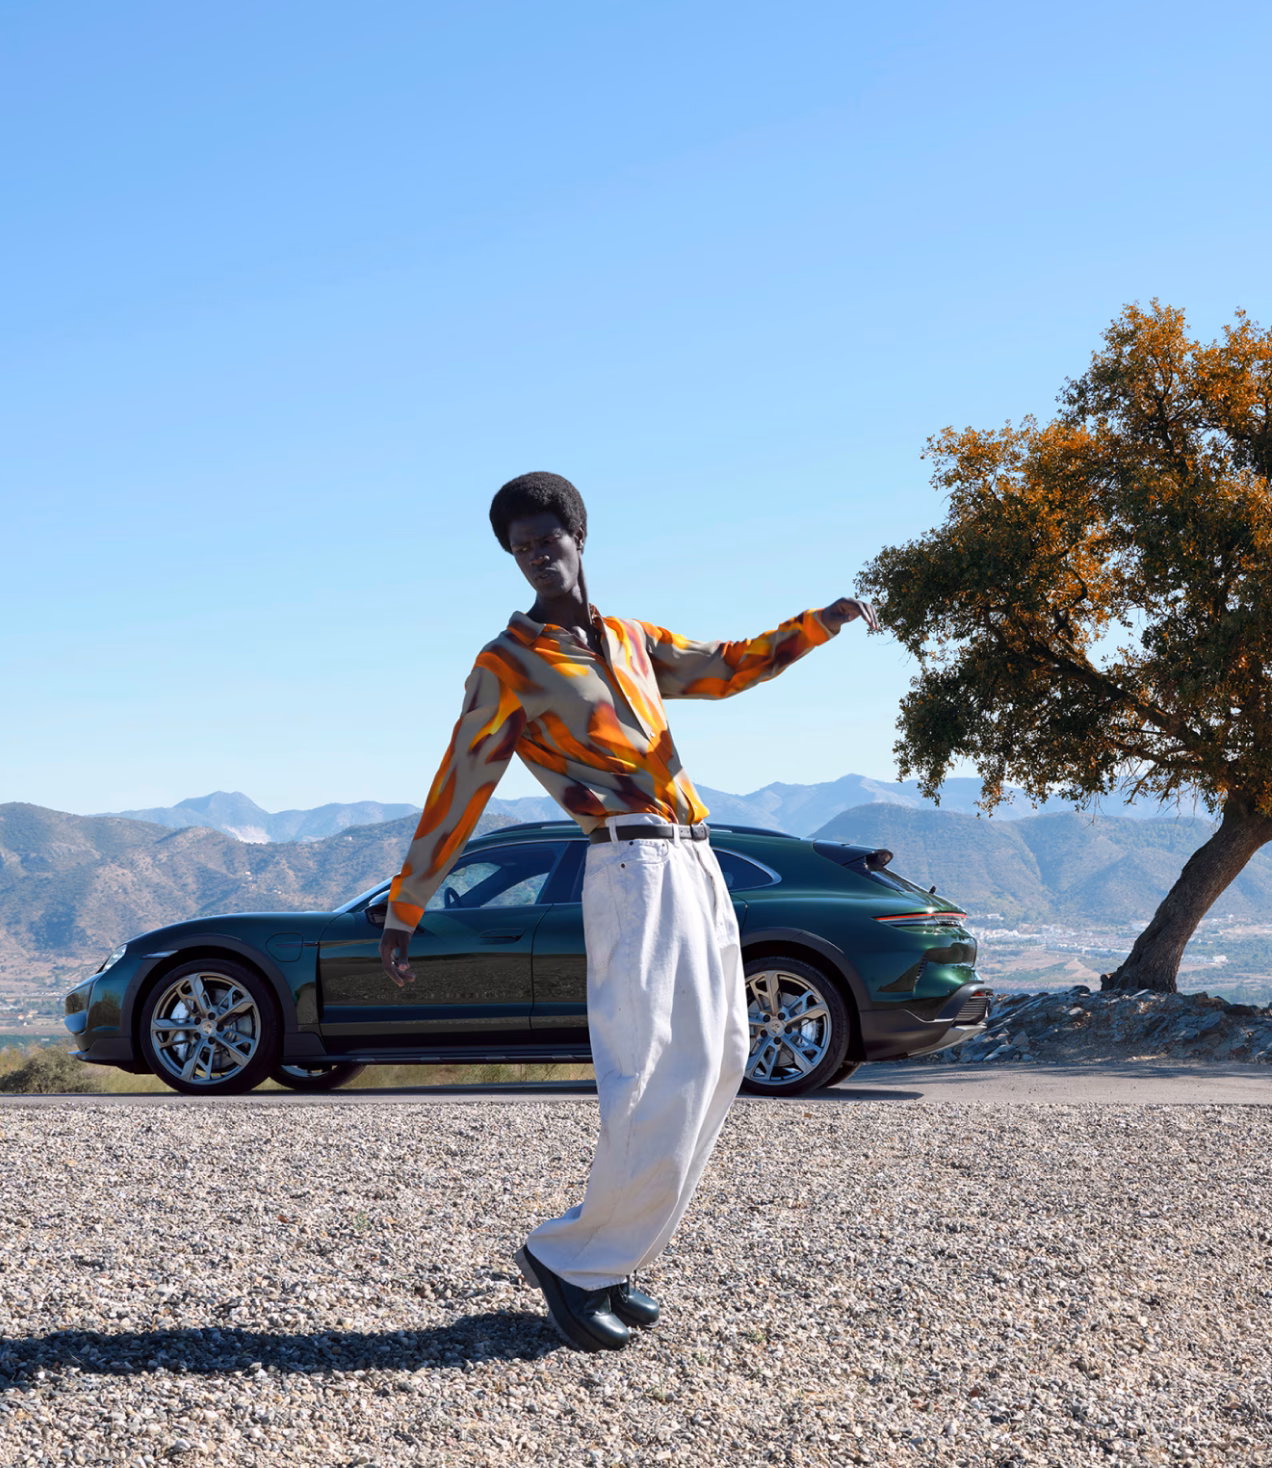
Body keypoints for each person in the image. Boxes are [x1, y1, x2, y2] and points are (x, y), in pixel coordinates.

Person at [380, 471, 879, 1352]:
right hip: (628, 866)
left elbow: (727, 669)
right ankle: (572, 1260)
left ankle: (609, 1259)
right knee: (649, 1072)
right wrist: (406, 903)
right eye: (519, 545)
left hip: (696, 859)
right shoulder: (507, 666)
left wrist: (821, 623)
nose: (536, 554)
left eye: (548, 538)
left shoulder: (630, 639)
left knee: (722, 1054)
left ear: (579, 537)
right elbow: (462, 781)